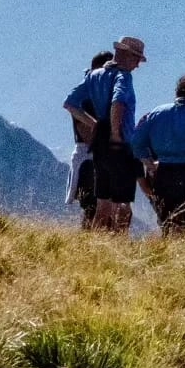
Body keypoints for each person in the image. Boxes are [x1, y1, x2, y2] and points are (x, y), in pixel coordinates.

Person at [63, 36, 147, 234]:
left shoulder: (93, 76)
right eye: (136, 58)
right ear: (126, 55)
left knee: (102, 203)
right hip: (119, 144)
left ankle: (97, 248)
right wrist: (116, 132)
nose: (136, 65)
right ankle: (119, 246)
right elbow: (118, 101)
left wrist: (96, 125)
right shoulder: (123, 76)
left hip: (99, 146)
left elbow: (69, 103)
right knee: (123, 205)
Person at [130, 73, 185, 234]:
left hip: (163, 173)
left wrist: (148, 163)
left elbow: (136, 141)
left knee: (168, 222)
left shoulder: (157, 113)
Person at [65, 50, 112, 229]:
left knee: (97, 209)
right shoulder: (87, 97)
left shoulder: (93, 94)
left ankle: (89, 248)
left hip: (93, 157)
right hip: (91, 158)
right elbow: (85, 131)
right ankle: (89, 248)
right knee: (94, 208)